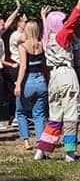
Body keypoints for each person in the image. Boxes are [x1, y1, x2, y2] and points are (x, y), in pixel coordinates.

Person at [34, 0, 80, 161]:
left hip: (53, 77)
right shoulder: (61, 36)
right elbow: (72, 22)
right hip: (66, 75)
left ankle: (41, 149)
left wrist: (43, 17)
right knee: (71, 115)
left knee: (55, 116)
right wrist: (79, 4)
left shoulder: (47, 38)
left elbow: (48, 27)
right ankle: (70, 153)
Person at [13, 20, 48, 149]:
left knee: (21, 112)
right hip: (41, 81)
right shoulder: (41, 45)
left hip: (28, 81)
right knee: (39, 114)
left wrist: (18, 85)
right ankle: (39, 141)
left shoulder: (23, 46)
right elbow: (45, 66)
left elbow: (23, 67)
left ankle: (26, 142)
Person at [0, 0, 22, 130]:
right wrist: (11, 64)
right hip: (3, 67)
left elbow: (8, 21)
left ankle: (12, 117)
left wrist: (17, 8)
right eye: (1, 24)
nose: (4, 26)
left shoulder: (0, 35)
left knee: (8, 93)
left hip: (2, 70)